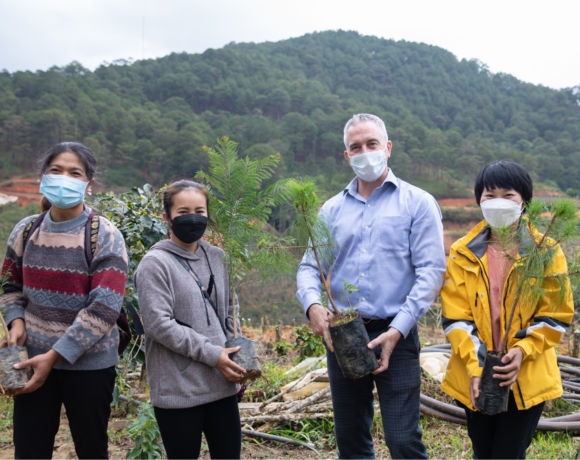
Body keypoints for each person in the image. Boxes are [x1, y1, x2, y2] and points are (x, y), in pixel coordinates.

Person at [296, 113, 446, 459]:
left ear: (388, 148)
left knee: (403, 438)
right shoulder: (332, 210)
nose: (364, 152)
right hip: (344, 333)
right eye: (355, 147)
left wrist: (397, 330)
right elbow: (309, 265)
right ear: (347, 156)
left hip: (397, 331)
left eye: (371, 144)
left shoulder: (417, 203)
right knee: (350, 437)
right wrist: (313, 306)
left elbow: (431, 272)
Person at [0, 142, 129, 459]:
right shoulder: (25, 230)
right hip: (32, 359)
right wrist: (15, 322)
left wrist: (56, 355)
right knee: (29, 448)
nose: (64, 178)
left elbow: (104, 306)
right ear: (43, 177)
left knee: (90, 449)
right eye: (56, 170)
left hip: (90, 365)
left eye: (75, 173)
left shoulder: (104, 235)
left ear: (88, 185)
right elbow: (9, 285)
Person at [440, 160, 574, 459]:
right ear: (479, 200)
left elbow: (556, 315)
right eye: (490, 195)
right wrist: (476, 368)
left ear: (523, 201)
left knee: (509, 452)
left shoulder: (546, 251)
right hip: (475, 371)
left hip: (527, 371)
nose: (498, 201)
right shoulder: (463, 252)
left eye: (508, 195)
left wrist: (522, 351)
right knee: (483, 450)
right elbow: (455, 316)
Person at [135, 180, 244, 460]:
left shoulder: (218, 257)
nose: (192, 218)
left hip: (221, 382)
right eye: (183, 211)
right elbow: (159, 325)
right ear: (167, 217)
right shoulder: (155, 264)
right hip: (178, 388)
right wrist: (212, 354)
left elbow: (230, 311)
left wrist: (237, 356)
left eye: (200, 211)